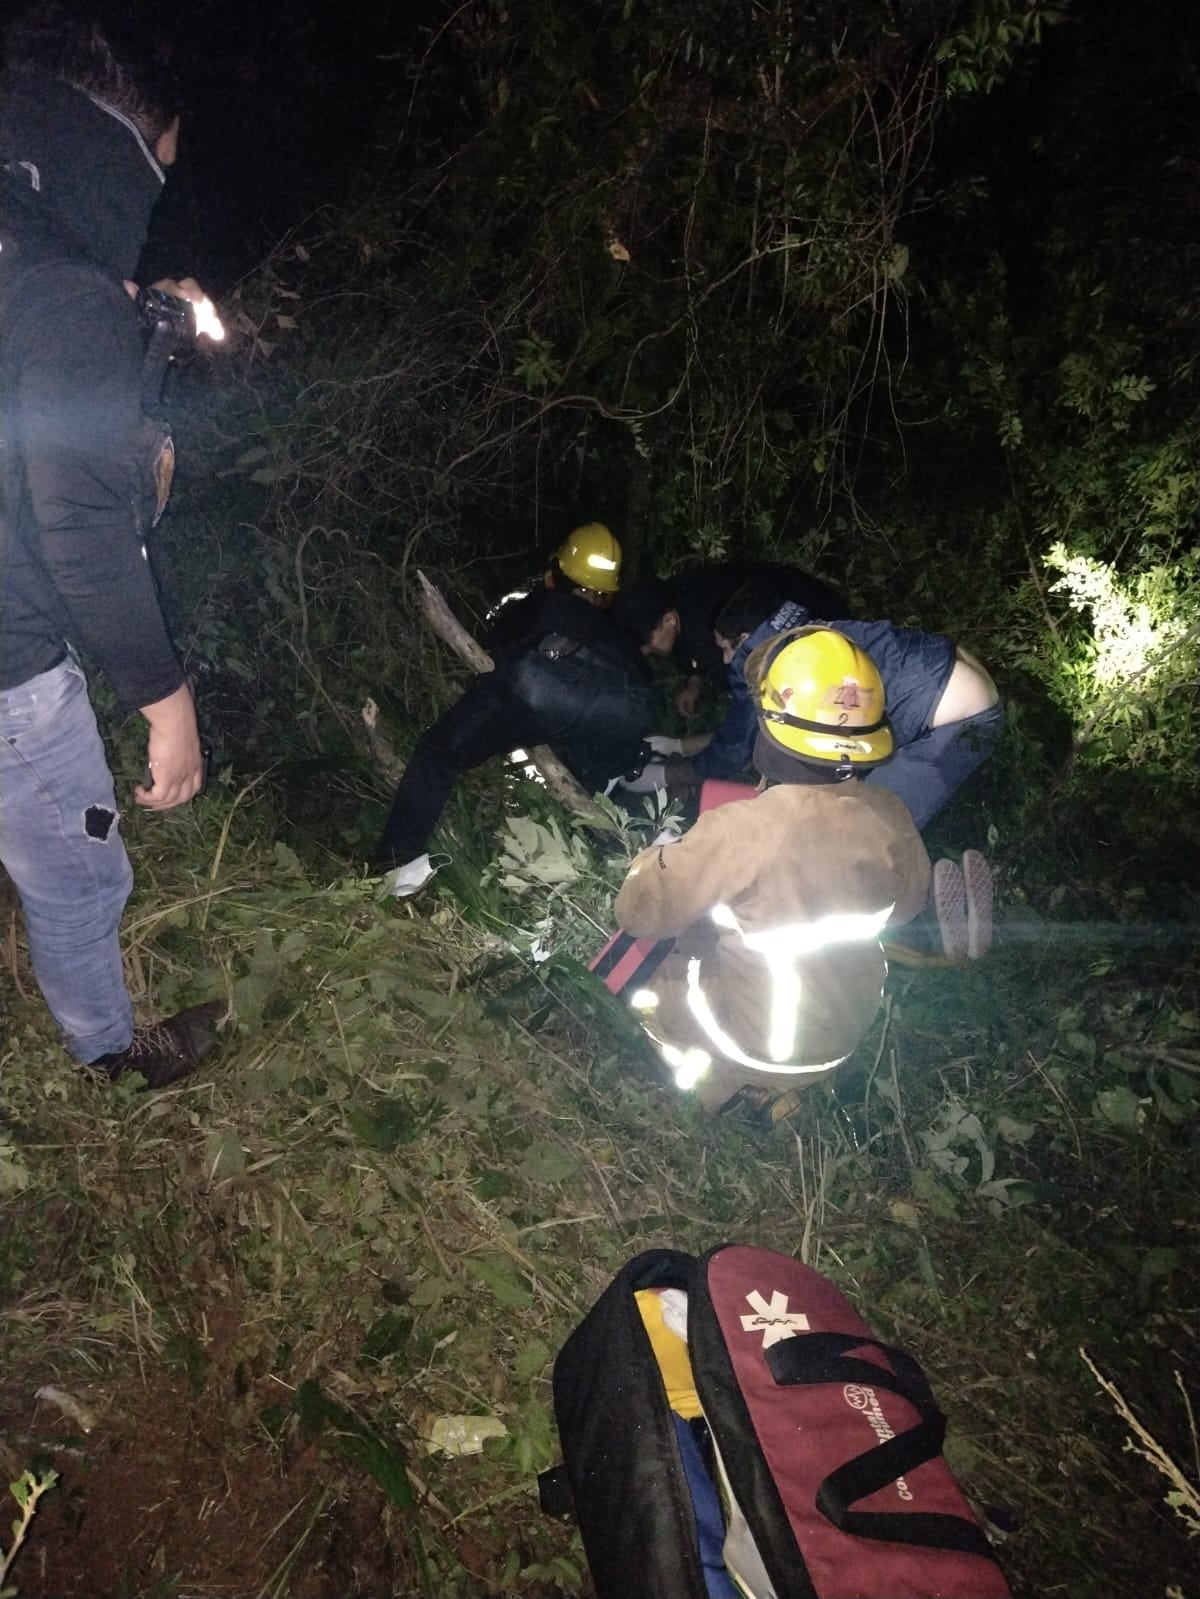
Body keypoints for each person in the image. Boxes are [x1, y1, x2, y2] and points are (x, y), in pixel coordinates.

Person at [0, 4, 223, 1086]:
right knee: (81, 868)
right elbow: (86, 520)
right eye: (162, 167)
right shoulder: (64, 294)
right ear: (125, 148)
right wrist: (165, 701)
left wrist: (112, 322)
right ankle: (108, 1057)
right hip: (8, 665)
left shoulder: (41, 265)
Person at [612, 628, 935, 1114]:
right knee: (732, 925)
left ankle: (705, 1086)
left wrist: (646, 863)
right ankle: (775, 1092)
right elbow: (908, 906)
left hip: (759, 1044)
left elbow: (640, 913)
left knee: (647, 982)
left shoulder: (750, 825)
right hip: (839, 1042)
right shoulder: (891, 815)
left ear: (772, 727)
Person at [369, 525, 657, 891]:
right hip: (614, 727)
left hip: (539, 696)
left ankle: (393, 866)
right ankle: (609, 877)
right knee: (583, 791)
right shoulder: (616, 633)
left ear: (559, 570)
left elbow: (498, 651)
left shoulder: (539, 603)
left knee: (438, 752)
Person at [636, 581, 1003, 830]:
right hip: (949, 684)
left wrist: (666, 776)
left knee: (862, 830)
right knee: (839, 800)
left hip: (956, 721)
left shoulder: (771, 658)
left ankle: (892, 912)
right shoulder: (808, 635)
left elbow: (736, 747)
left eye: (726, 647)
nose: (727, 659)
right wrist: (679, 747)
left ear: (745, 638)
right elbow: (764, 730)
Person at [616, 558, 851, 717]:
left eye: (647, 643)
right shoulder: (672, 602)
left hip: (817, 617)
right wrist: (694, 685)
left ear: (669, 621)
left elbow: (742, 689)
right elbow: (690, 654)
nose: (646, 651)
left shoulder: (698, 619)